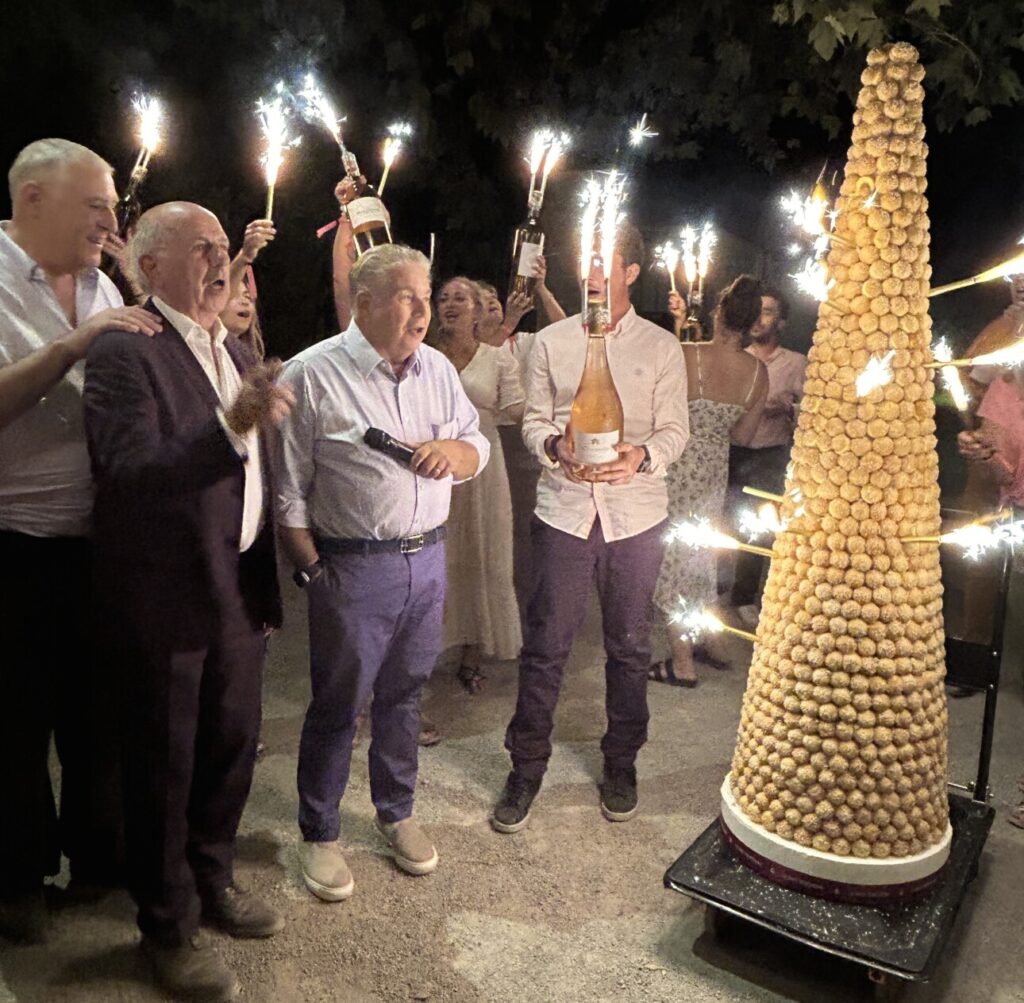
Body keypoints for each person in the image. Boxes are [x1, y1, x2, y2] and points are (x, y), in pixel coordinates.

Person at [84, 201, 293, 1003]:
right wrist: (230, 425)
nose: (222, 259)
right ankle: (165, 926)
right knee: (164, 765)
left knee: (231, 748)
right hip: (164, 597)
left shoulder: (231, 344)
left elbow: (255, 475)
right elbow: (130, 472)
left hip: (235, 588)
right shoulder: (125, 350)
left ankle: (213, 877)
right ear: (152, 263)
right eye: (203, 246)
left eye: (222, 246)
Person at [275, 244, 489, 901]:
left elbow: (475, 440)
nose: (424, 309)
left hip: (426, 559)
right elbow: (288, 493)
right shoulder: (312, 375)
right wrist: (314, 573)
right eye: (406, 296)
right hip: (351, 567)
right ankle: (321, 830)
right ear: (364, 302)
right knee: (339, 704)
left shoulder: (438, 373)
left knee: (405, 695)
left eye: (427, 296)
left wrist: (457, 450)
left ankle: (396, 811)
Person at [0, 138, 163, 943]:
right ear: (34, 200)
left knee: (97, 712)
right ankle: (16, 877)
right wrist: (71, 345)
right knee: (13, 722)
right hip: (15, 542)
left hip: (98, 541)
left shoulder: (102, 280)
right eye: (95, 204)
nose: (111, 218)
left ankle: (99, 857)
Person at [492, 222, 689, 833]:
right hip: (565, 512)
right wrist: (554, 445)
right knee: (546, 644)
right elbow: (533, 421)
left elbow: (675, 431)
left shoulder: (660, 347)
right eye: (589, 265)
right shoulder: (551, 341)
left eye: (608, 266)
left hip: (635, 517)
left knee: (629, 646)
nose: (594, 277)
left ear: (631, 273)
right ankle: (526, 766)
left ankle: (621, 761)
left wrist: (641, 457)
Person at [650, 277, 768, 686]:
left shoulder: (687, 353)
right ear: (755, 323)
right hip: (714, 466)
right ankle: (711, 644)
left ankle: (681, 662)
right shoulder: (758, 372)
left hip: (676, 460)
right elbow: (744, 437)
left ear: (717, 312)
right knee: (700, 555)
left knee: (671, 559)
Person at [435, 277, 524, 691]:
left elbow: (516, 407)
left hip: (485, 468)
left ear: (477, 309)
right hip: (435, 466)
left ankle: (472, 654)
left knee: (482, 554)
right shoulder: (424, 354)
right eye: (444, 298)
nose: (450, 304)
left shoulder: (497, 357)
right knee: (440, 557)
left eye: (460, 298)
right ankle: (426, 650)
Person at [728, 285, 806, 619]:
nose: (760, 318)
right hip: (730, 450)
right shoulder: (736, 358)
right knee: (722, 518)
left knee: (758, 525)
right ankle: (714, 587)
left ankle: (744, 596)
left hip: (768, 453)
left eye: (769, 311)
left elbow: (807, 411)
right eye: (757, 310)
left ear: (782, 322)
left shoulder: (796, 363)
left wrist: (788, 408)